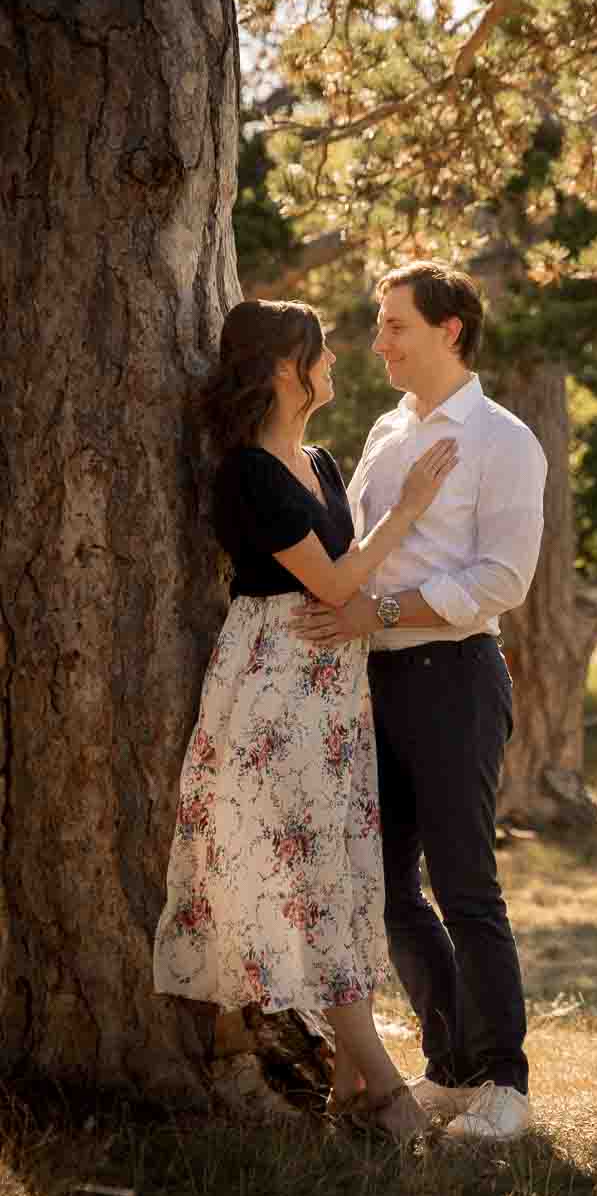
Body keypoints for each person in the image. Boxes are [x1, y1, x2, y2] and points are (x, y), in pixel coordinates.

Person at [153, 297, 458, 1140]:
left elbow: (348, 588)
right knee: (306, 884)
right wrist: (410, 506)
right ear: (287, 366)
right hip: (271, 691)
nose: (337, 362)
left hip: (331, 693)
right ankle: (390, 1100)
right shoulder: (247, 471)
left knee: (345, 877)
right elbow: (331, 586)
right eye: (322, 350)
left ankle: (352, 1094)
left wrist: (367, 581)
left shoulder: (320, 462)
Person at [292, 260, 547, 1143]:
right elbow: (362, 544)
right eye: (378, 322)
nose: (379, 341)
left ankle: (506, 1085)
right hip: (370, 682)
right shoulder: (385, 429)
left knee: (466, 884)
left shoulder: (504, 440)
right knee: (389, 891)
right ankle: (454, 1069)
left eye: (395, 324)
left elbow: (503, 579)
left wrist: (382, 609)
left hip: (454, 679)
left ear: (451, 330)